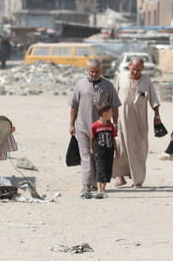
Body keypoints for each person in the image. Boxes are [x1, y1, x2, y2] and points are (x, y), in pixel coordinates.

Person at [69, 58, 121, 195]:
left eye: (97, 72)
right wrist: (71, 124)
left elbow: (115, 107)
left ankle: (97, 183)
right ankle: (86, 184)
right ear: (87, 70)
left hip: (102, 129)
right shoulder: (80, 85)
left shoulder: (108, 86)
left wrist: (115, 124)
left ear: (101, 71)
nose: (94, 74)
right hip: (83, 127)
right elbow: (74, 105)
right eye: (92, 72)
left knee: (99, 156)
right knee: (85, 155)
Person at [113, 57, 162, 187]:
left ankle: (137, 180)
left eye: (138, 70)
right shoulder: (121, 77)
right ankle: (120, 176)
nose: (135, 72)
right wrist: (112, 120)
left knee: (138, 150)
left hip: (139, 124)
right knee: (121, 148)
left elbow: (154, 101)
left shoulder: (146, 81)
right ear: (129, 66)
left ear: (143, 69)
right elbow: (113, 98)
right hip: (121, 121)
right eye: (133, 69)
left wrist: (157, 116)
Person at [89, 103, 119, 199]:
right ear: (104, 113)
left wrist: (117, 151)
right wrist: (91, 148)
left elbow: (114, 139)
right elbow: (92, 138)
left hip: (109, 152)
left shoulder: (111, 126)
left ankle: (103, 189)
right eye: (111, 112)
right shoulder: (95, 126)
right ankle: (99, 190)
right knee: (100, 170)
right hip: (99, 152)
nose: (113, 113)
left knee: (108, 171)